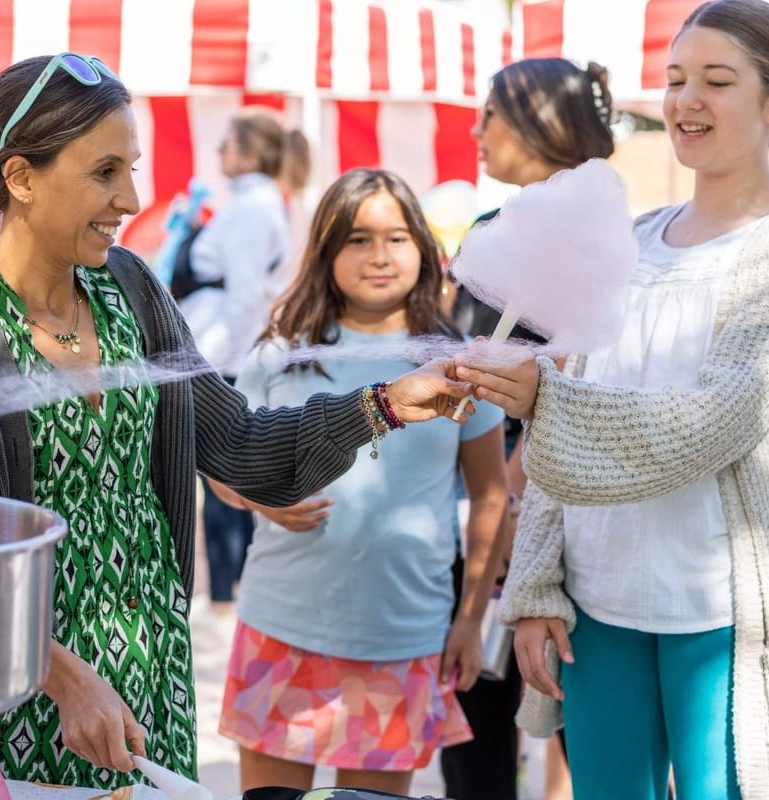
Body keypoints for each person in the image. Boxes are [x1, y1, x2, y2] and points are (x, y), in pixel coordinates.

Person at [0, 53, 477, 792]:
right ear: (23, 178)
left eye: (131, 168)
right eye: (105, 172)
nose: (130, 197)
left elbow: (247, 452)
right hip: (21, 709)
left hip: (150, 688)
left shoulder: (133, 290)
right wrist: (64, 680)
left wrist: (380, 406)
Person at [461, 2, 769, 797]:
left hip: (724, 615)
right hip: (597, 607)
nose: (685, 102)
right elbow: (566, 415)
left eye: (716, 81)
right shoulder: (631, 241)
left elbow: (719, 419)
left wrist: (546, 401)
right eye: (674, 81)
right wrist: (534, 585)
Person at [211, 168, 509, 795]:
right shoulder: (281, 352)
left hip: (403, 635)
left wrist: (469, 620)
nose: (379, 256)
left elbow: (490, 495)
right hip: (281, 623)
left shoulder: (458, 362)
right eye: (357, 239)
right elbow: (222, 464)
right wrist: (256, 493)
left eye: (397, 238)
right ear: (325, 249)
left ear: (423, 249)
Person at [443, 57, 615, 800]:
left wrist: (513, 495)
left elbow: (588, 379)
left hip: (559, 523)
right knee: (475, 724)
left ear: (541, 121)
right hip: (481, 512)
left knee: (586, 731)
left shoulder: (608, 235)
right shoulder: (493, 229)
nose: (477, 132)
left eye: (492, 115)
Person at [177, 109, 295, 609]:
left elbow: (246, 298)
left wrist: (215, 365)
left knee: (222, 475)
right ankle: (228, 587)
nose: (220, 154)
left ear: (247, 154)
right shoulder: (252, 204)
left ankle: (228, 591)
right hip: (220, 350)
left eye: (226, 145)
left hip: (221, 357)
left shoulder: (252, 209)